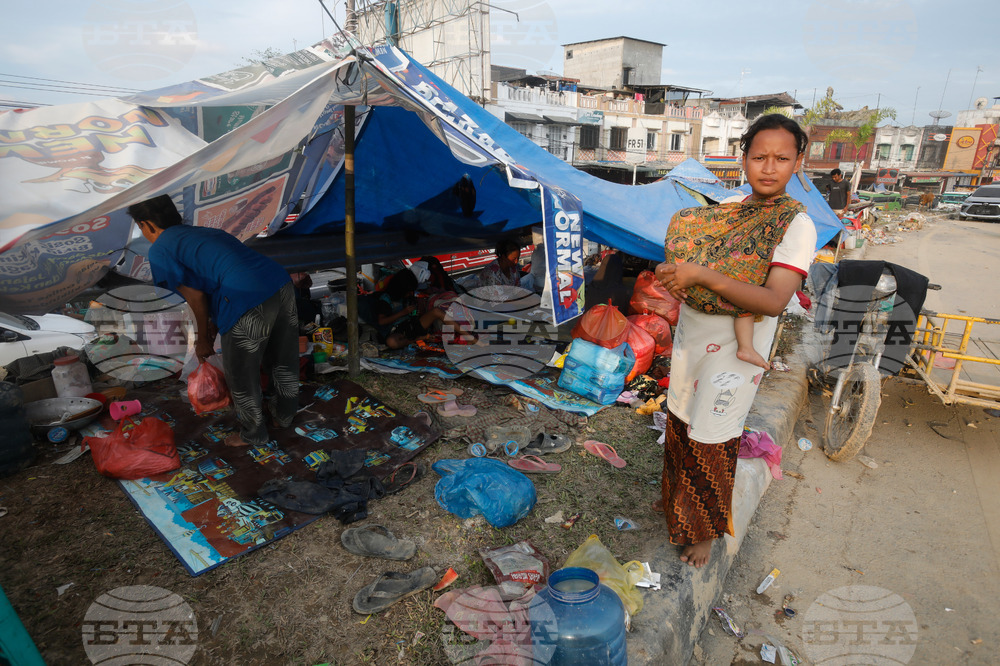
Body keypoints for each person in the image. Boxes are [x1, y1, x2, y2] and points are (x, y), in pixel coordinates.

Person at [654, 114, 817, 568]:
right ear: (742, 159)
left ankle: (705, 530)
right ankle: (677, 507)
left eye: (782, 158)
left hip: (735, 348)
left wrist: (702, 274)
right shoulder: (731, 210)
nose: (769, 167)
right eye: (759, 157)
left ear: (799, 162)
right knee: (681, 422)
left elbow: (772, 299)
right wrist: (675, 276)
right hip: (694, 334)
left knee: (714, 434)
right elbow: (691, 248)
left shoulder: (794, 226)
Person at [127, 194, 299, 448]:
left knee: (241, 372)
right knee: (283, 358)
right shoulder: (204, 233)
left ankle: (254, 435)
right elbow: (213, 283)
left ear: (147, 225)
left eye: (141, 228)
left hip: (245, 296)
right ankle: (283, 417)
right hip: (280, 283)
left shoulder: (160, 249)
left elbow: (196, 297)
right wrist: (212, 324)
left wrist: (202, 339)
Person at [359, 268, 450, 349]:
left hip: (411, 326)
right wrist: (403, 312)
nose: (410, 293)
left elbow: (416, 314)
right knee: (392, 342)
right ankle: (421, 338)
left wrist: (418, 309)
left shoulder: (406, 297)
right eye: (409, 291)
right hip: (397, 331)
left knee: (436, 311)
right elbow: (382, 321)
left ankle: (464, 334)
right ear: (401, 289)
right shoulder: (386, 299)